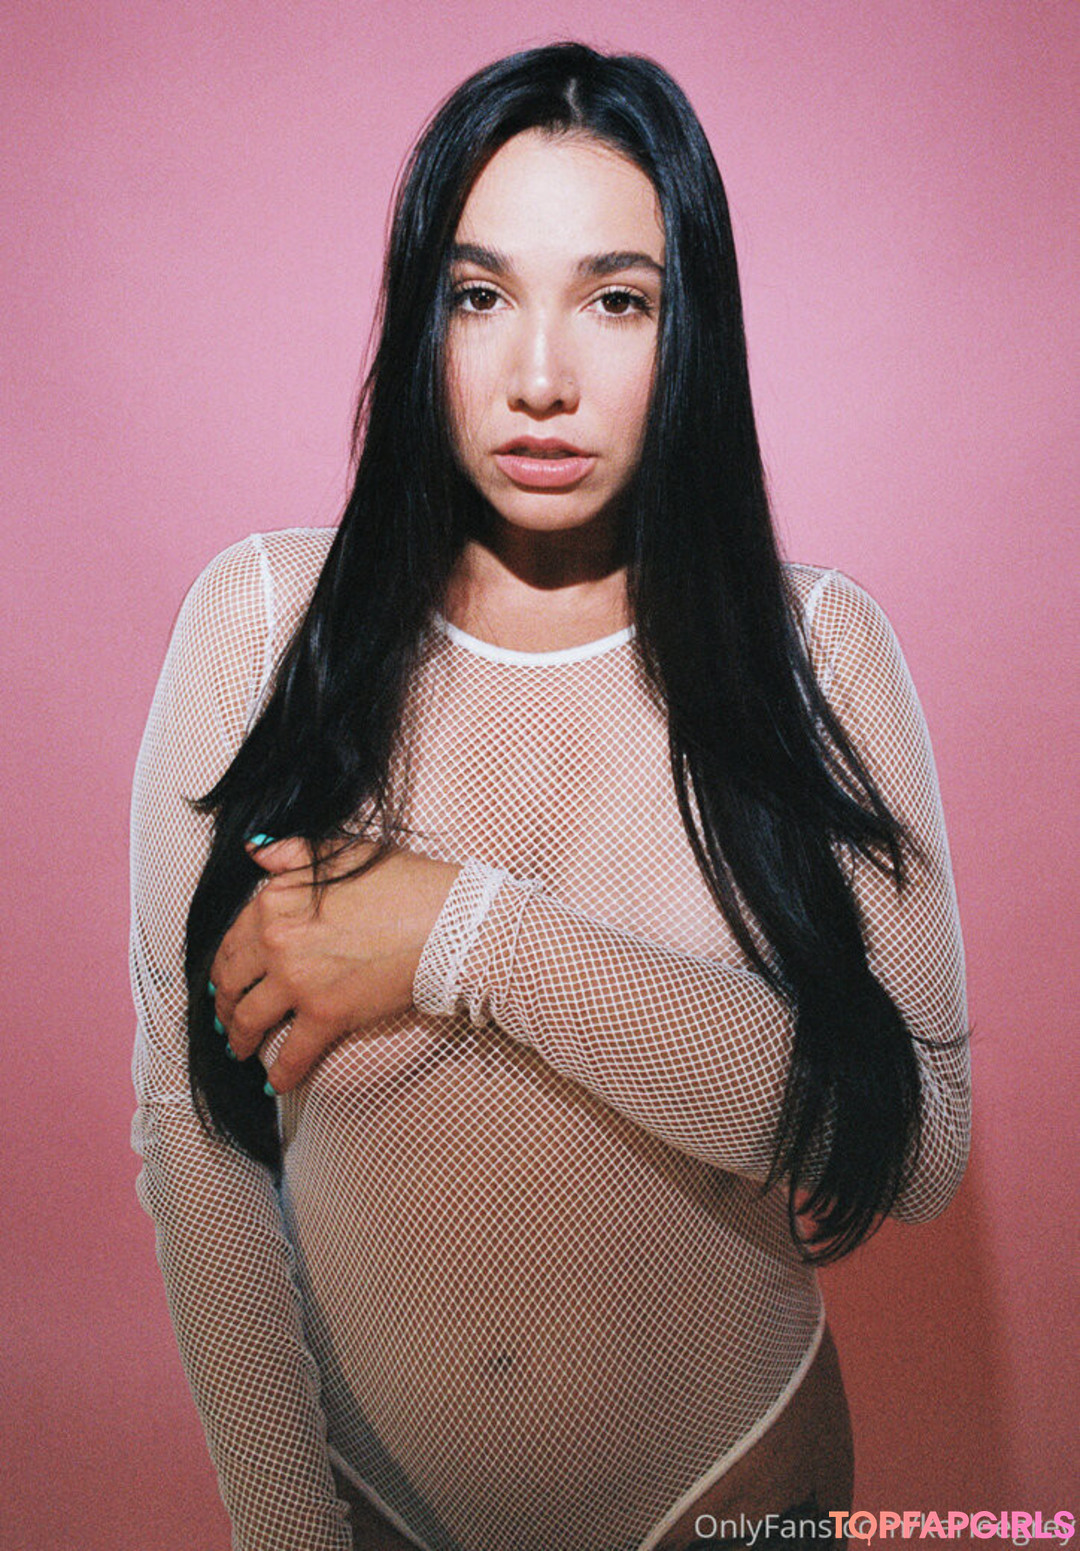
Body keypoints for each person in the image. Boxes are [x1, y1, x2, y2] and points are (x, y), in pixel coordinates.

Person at [130, 42, 970, 1551]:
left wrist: (457, 932)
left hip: (735, 1496)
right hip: (369, 1515)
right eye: (481, 295)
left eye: (615, 300)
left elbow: (912, 1145)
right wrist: (287, 1536)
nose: (539, 379)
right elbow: (199, 1142)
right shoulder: (261, 628)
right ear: (423, 319)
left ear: (690, 328)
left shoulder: (818, 654)